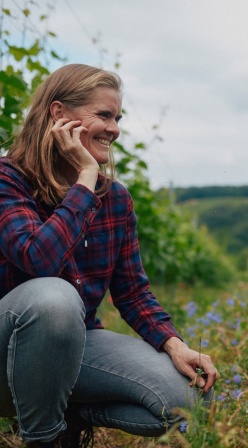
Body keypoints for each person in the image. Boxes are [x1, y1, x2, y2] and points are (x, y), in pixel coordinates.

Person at [0, 64, 219, 447]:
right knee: (54, 297)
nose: (114, 128)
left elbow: (132, 292)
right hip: (7, 352)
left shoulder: (114, 198)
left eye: (117, 117)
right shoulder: (9, 179)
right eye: (103, 115)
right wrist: (84, 179)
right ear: (59, 114)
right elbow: (38, 259)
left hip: (73, 347)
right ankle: (42, 440)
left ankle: (71, 414)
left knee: (190, 401)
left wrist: (174, 344)